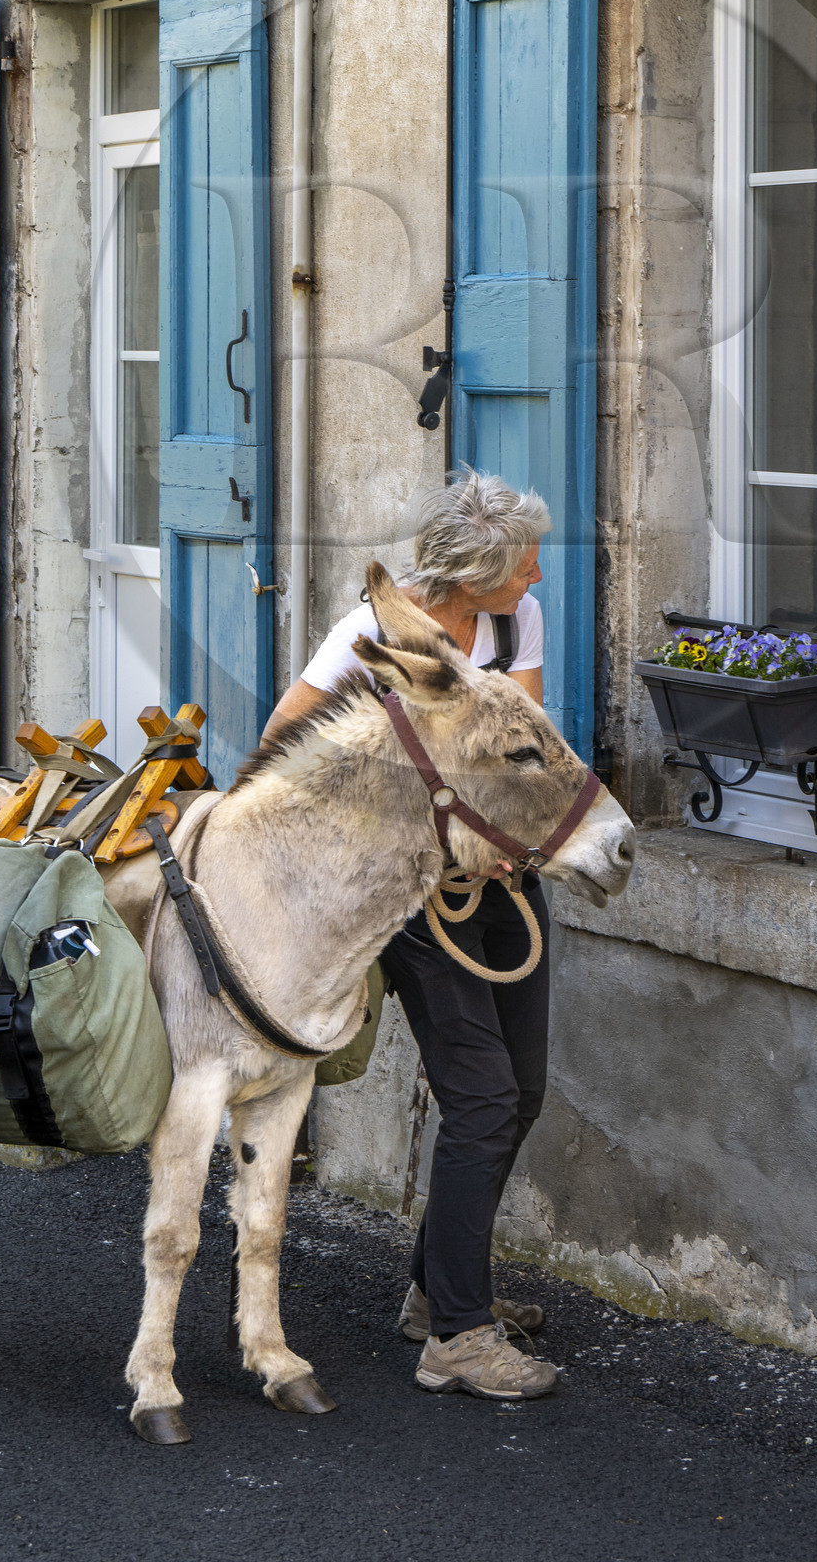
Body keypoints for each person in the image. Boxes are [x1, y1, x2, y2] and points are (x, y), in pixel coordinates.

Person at [261, 470, 561, 1400]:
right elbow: (281, 749)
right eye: (522, 563)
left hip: (504, 880)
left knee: (524, 1093)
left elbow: (528, 743)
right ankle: (458, 1340)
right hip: (414, 900)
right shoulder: (366, 640)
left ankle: (440, 1293)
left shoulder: (516, 623)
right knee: (480, 1097)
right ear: (471, 577)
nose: (538, 573)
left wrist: (519, 840)